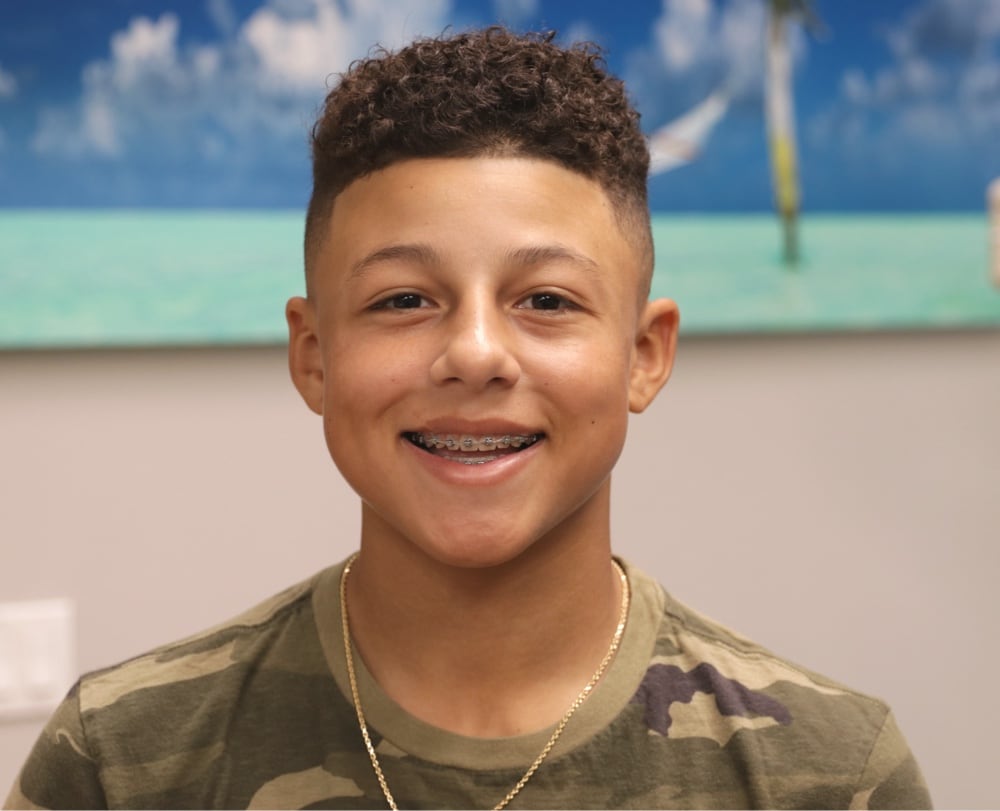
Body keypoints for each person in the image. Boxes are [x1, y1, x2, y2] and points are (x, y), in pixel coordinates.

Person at [5, 27, 931, 810]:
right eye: (405, 300)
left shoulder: (831, 774)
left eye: (549, 300)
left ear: (644, 354)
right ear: (314, 355)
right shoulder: (121, 765)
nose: (477, 352)